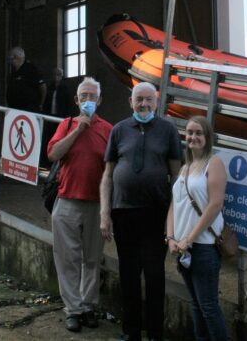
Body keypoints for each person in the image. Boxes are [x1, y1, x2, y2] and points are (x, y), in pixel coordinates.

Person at [100, 82, 182, 341]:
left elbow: (177, 174)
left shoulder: (167, 130)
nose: (144, 104)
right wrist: (105, 213)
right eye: (139, 100)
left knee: (155, 275)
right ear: (130, 102)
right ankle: (131, 333)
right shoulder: (119, 130)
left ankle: (155, 334)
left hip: (155, 213)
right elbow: (108, 175)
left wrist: (175, 216)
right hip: (123, 213)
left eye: (148, 100)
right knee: (129, 275)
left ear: (156, 102)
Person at [47, 77, 113, 333]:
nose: (87, 101)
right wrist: (78, 130)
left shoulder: (108, 129)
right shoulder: (67, 125)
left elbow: (112, 167)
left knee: (92, 259)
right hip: (67, 201)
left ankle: (88, 306)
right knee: (67, 259)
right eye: (83, 96)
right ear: (76, 101)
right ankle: (72, 310)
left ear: (99, 100)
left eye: (92, 96)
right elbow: (53, 154)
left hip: (96, 204)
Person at [166, 116, 228, 341]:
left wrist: (189, 239)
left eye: (198, 133)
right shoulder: (185, 168)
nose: (193, 137)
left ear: (207, 137)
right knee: (196, 305)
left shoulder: (215, 163)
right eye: (190, 132)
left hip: (203, 248)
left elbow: (215, 205)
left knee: (209, 307)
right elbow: (174, 204)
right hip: (183, 248)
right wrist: (171, 237)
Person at [41, 67, 73, 169]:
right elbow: (46, 102)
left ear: (61, 76)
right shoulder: (50, 88)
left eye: (58, 74)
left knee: (60, 139)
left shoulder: (65, 88)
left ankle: (60, 163)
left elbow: (69, 104)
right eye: (55, 74)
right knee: (49, 139)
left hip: (61, 118)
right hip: (50, 117)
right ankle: (48, 162)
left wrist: (68, 118)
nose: (56, 77)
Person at [6, 46, 46, 112]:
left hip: (29, 109)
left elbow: (43, 87)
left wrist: (41, 104)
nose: (10, 61)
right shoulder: (13, 72)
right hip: (14, 109)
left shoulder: (32, 69)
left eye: (12, 57)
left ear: (18, 57)